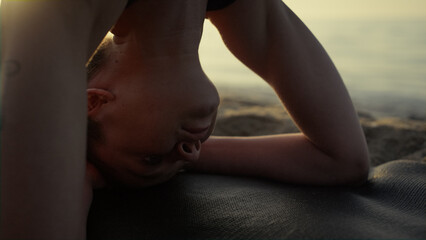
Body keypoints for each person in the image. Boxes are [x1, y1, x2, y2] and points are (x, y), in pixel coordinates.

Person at [1, 0, 370, 239]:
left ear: (94, 103)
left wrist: (74, 172)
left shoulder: (58, 13)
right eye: (186, 159)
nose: (192, 155)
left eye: (150, 158)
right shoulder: (239, 5)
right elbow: (341, 159)